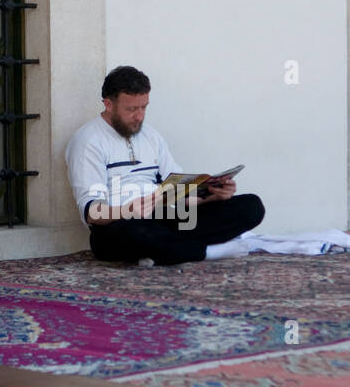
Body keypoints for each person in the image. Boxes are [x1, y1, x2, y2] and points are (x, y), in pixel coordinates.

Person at [65, 65, 265, 266]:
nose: (140, 116)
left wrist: (211, 196)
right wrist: (127, 210)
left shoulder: (151, 136)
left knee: (251, 207)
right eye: (132, 109)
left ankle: (164, 251)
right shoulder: (88, 141)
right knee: (136, 234)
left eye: (144, 107)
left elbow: (177, 190)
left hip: (165, 217)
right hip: (120, 225)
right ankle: (206, 251)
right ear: (109, 104)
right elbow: (92, 212)